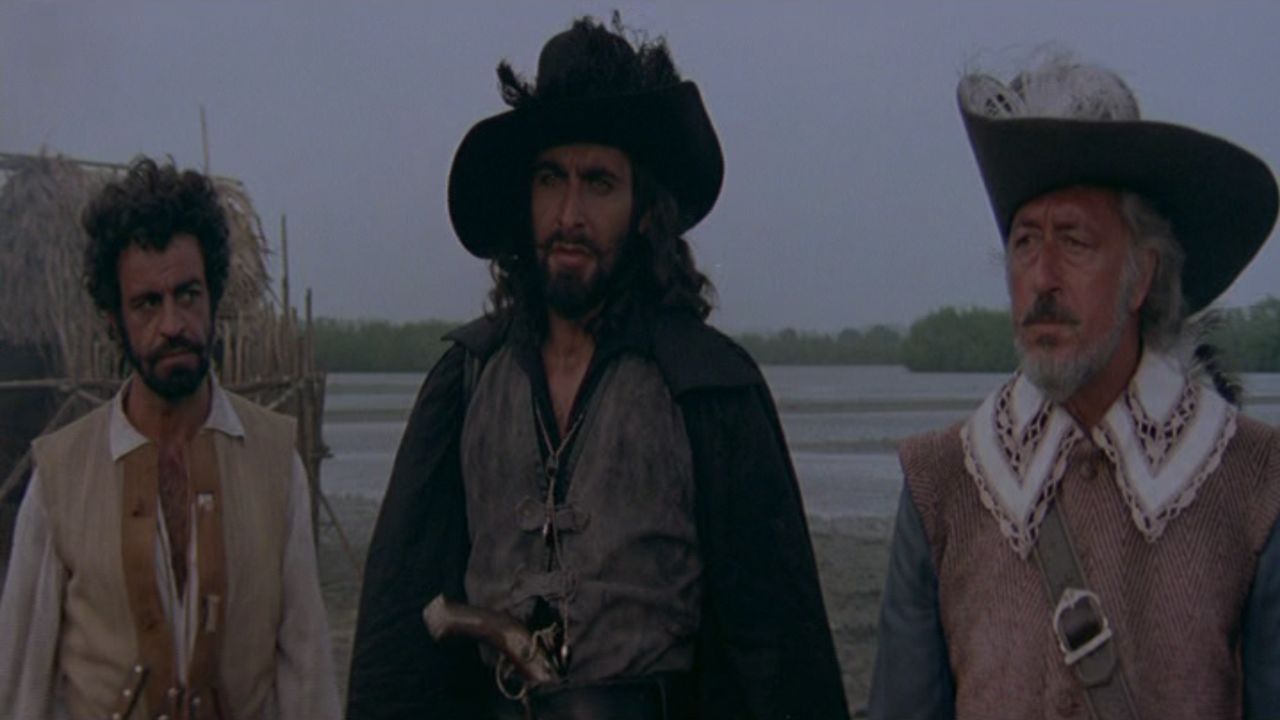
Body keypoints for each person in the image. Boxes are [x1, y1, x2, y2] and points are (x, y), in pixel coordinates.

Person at [346, 15, 848, 720]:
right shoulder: (467, 381)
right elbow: (397, 639)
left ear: (644, 210)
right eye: (550, 179)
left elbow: (779, 652)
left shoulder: (706, 386)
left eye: (600, 182)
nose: (569, 215)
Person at [867, 53, 1280, 720]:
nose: (1042, 278)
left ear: (1142, 276)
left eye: (1075, 242)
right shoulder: (940, 483)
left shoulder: (1256, 481)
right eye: (1025, 243)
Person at [0, 157, 341, 719]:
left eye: (187, 295)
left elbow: (308, 680)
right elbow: (19, 691)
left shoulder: (277, 465)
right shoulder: (59, 479)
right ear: (115, 320)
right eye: (147, 303)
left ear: (213, 297)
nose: (173, 324)